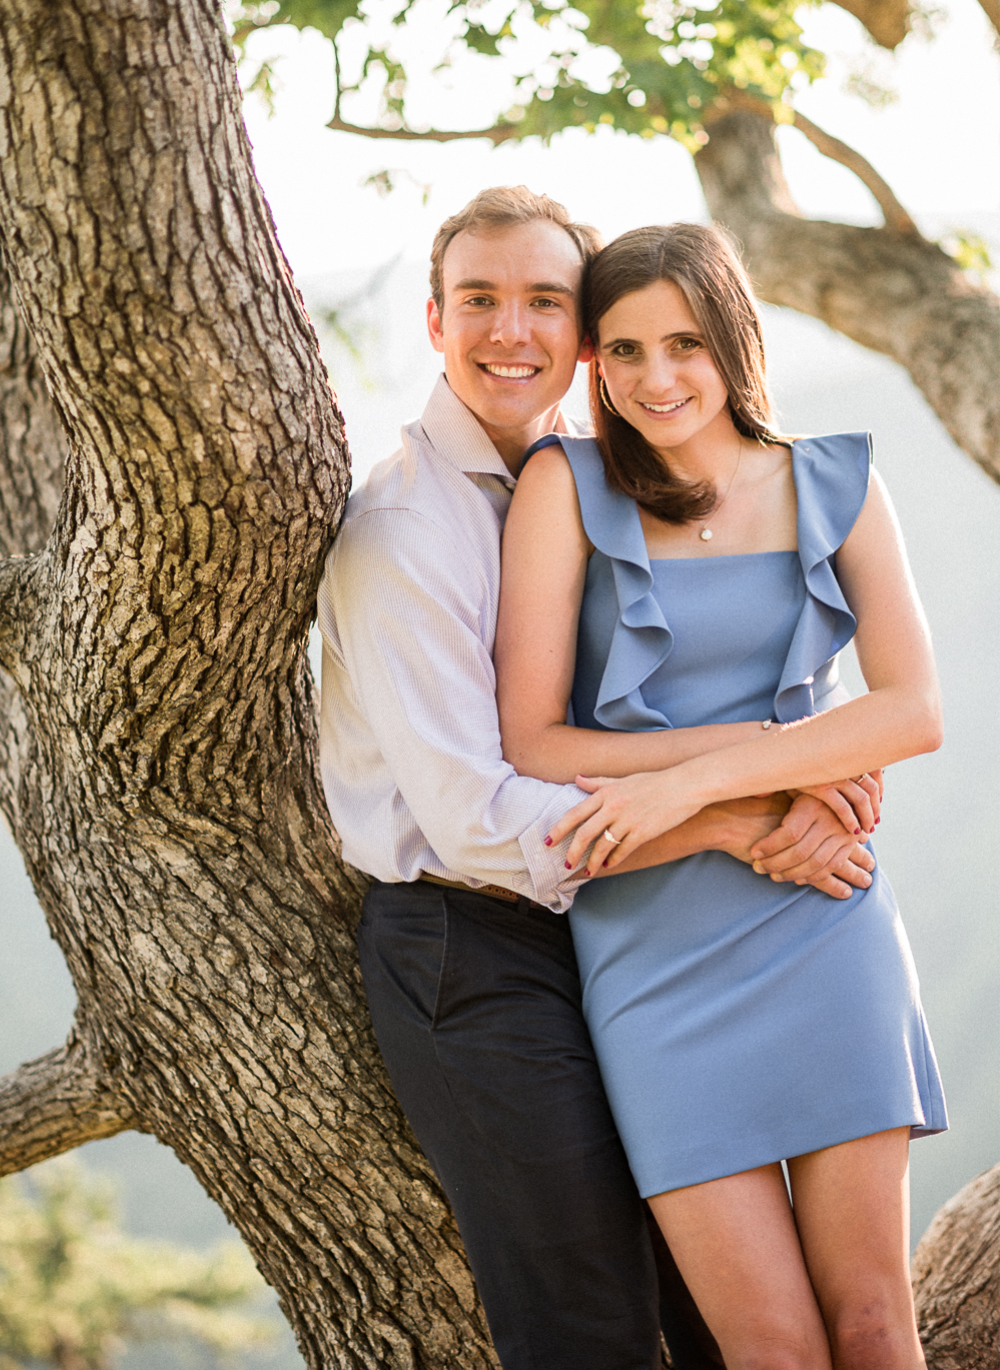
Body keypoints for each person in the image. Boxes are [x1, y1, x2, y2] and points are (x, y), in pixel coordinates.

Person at [317, 188, 880, 1370]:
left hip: (616, 925)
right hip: (469, 949)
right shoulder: (406, 530)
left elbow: (723, 659)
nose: (509, 332)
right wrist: (736, 814)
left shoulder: (588, 486)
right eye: (478, 302)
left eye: (543, 304)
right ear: (433, 321)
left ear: (582, 337)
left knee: (719, 1322)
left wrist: (810, 764)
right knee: (587, 1328)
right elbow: (475, 819)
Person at [495, 221, 948, 1370]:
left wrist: (707, 779)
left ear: (733, 340)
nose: (655, 379)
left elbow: (910, 712)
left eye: (684, 343)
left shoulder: (836, 481)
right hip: (654, 956)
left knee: (874, 1324)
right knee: (770, 1348)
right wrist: (768, 767)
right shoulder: (567, 484)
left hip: (820, 902)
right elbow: (534, 740)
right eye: (623, 349)